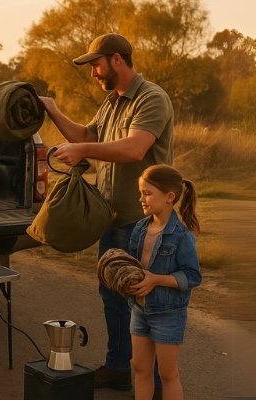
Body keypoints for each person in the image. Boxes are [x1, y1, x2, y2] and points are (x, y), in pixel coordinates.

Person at [39, 32, 175, 391]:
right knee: (111, 295)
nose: (93, 73)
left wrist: (83, 149)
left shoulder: (151, 98)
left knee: (145, 302)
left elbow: (134, 148)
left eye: (96, 65)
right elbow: (86, 133)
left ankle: (157, 387)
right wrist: (52, 110)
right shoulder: (112, 102)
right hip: (111, 218)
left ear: (117, 59)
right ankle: (117, 369)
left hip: (143, 222)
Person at [128, 165, 201, 400]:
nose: (142, 199)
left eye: (147, 193)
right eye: (141, 192)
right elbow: (132, 266)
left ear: (170, 197)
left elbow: (192, 276)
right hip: (139, 309)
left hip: (168, 313)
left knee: (167, 374)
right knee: (140, 367)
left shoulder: (182, 236)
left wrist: (155, 280)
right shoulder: (140, 228)